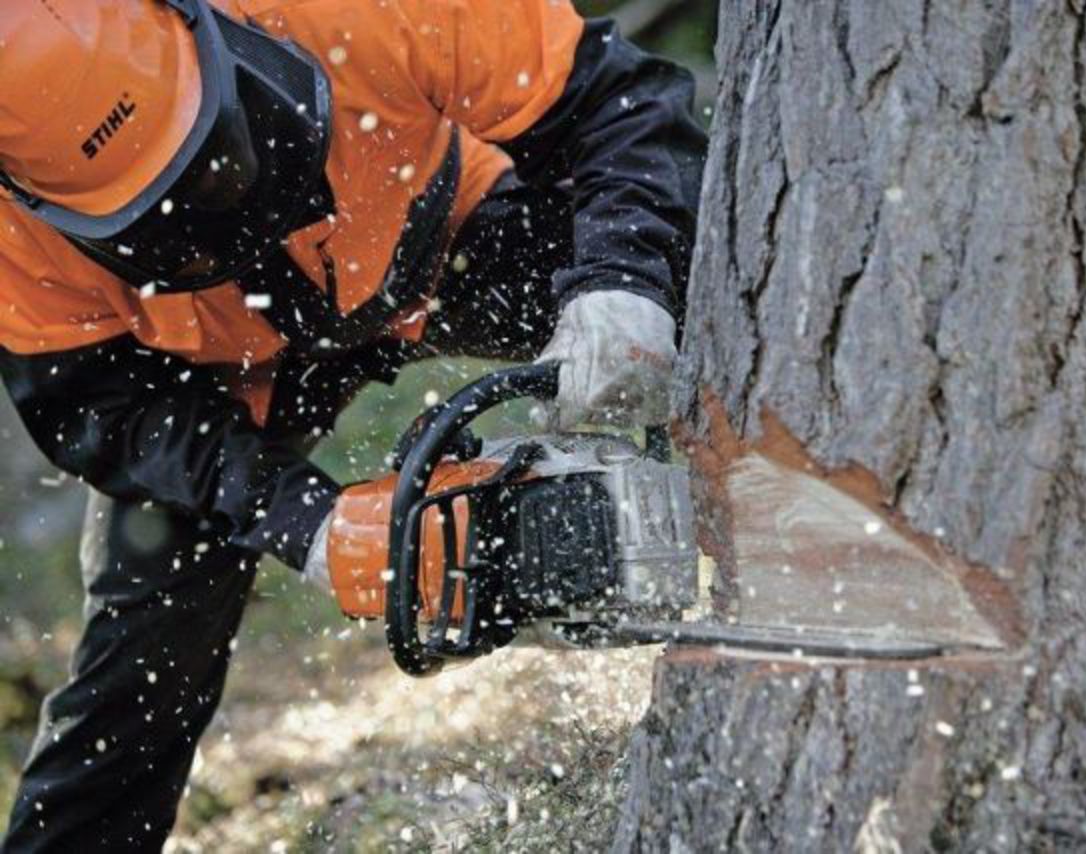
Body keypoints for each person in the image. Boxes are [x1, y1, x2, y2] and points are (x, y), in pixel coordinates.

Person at [0, 0, 705, 849]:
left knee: (700, 282)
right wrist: (305, 522)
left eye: (208, 158)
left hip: (443, 234)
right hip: (229, 379)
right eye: (163, 210)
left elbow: (616, 101)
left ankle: (777, 528)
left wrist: (621, 278)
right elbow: (100, 404)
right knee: (140, 670)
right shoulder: (12, 237)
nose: (212, 209)